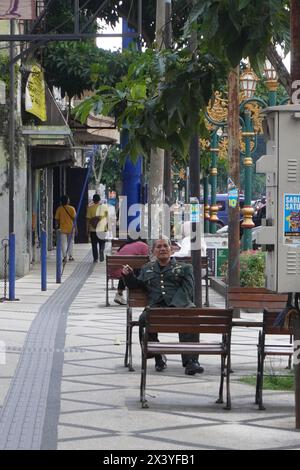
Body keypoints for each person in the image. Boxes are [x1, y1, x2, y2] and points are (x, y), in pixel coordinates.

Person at [122, 238, 204, 375]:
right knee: (143, 319)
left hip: (180, 307)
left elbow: (188, 290)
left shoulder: (184, 268)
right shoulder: (147, 268)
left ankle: (191, 362)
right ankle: (157, 356)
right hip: (155, 308)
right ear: (153, 251)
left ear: (171, 250)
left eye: (165, 246)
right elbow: (135, 284)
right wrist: (128, 275)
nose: (162, 249)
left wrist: (174, 306)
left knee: (191, 316)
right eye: (158, 247)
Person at [111, 237, 149, 305]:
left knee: (127, 269)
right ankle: (137, 296)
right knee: (134, 270)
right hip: (124, 271)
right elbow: (148, 259)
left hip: (114, 269)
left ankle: (119, 294)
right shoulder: (143, 245)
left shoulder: (126, 244)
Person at [86, 194, 109, 262]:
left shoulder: (90, 208)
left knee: (94, 244)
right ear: (99, 200)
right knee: (102, 242)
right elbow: (107, 218)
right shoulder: (105, 207)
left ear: (93, 200)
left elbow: (88, 220)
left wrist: (87, 229)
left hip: (93, 229)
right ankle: (101, 250)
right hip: (102, 228)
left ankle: (95, 258)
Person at [54, 195, 76, 262]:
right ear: (67, 201)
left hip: (62, 228)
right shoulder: (72, 208)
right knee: (71, 242)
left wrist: (56, 226)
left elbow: (57, 219)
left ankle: (65, 257)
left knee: (63, 243)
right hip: (71, 228)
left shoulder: (59, 209)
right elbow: (74, 219)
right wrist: (76, 227)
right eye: (68, 199)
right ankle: (71, 256)